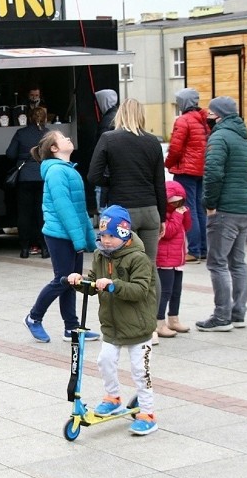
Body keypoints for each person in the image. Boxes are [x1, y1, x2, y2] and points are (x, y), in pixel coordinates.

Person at [65, 205, 158, 436]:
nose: (106, 241)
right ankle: (113, 396)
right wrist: (80, 282)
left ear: (124, 235)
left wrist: (114, 285)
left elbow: (139, 289)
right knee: (104, 362)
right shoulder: (100, 255)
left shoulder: (138, 258)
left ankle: (148, 413)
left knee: (140, 371)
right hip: (112, 325)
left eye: (111, 236)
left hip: (138, 326)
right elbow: (95, 283)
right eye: (103, 236)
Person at [88, 98, 166, 343]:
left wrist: (116, 182)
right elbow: (159, 183)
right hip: (150, 210)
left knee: (122, 267)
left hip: (122, 215)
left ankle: (129, 324)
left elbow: (93, 175)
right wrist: (161, 216)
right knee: (149, 269)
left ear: (119, 115)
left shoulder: (109, 139)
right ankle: (152, 326)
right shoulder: (153, 141)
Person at [23, 131, 100, 344]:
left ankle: (71, 328)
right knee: (62, 280)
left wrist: (87, 237)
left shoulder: (66, 169)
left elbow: (79, 209)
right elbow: (64, 208)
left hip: (68, 233)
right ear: (54, 149)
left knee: (71, 282)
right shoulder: (57, 171)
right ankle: (33, 317)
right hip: (60, 235)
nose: (68, 139)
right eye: (62, 138)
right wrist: (79, 239)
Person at [197, 97, 247, 331]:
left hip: (225, 211)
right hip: (244, 208)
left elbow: (213, 174)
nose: (207, 117)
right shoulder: (243, 139)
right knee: (238, 262)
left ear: (219, 115)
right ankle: (238, 312)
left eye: (210, 113)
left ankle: (222, 316)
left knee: (218, 262)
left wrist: (209, 203)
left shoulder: (219, 137)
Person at [164, 88, 210, 263]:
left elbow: (176, 147)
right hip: (202, 170)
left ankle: (194, 250)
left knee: (188, 209)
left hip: (186, 170)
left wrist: (167, 164)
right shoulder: (204, 120)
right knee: (200, 208)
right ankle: (203, 249)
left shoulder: (183, 120)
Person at [6, 106, 49, 258]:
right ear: (44, 118)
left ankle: (25, 249)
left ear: (29, 117)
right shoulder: (49, 134)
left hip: (24, 178)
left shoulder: (21, 133)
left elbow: (10, 154)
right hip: (44, 177)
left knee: (24, 214)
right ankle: (44, 248)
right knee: (41, 213)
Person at [155, 180, 191, 338]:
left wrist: (185, 214)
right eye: (174, 202)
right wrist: (177, 215)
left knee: (177, 291)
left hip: (178, 259)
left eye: (180, 202)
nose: (177, 205)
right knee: (165, 292)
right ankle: (159, 322)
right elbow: (168, 232)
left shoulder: (179, 213)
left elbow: (188, 226)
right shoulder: (162, 215)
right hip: (165, 261)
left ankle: (173, 318)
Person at [93, 89, 118, 213]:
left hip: (106, 171)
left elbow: (103, 149)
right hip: (115, 169)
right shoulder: (117, 116)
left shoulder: (107, 121)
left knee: (104, 209)